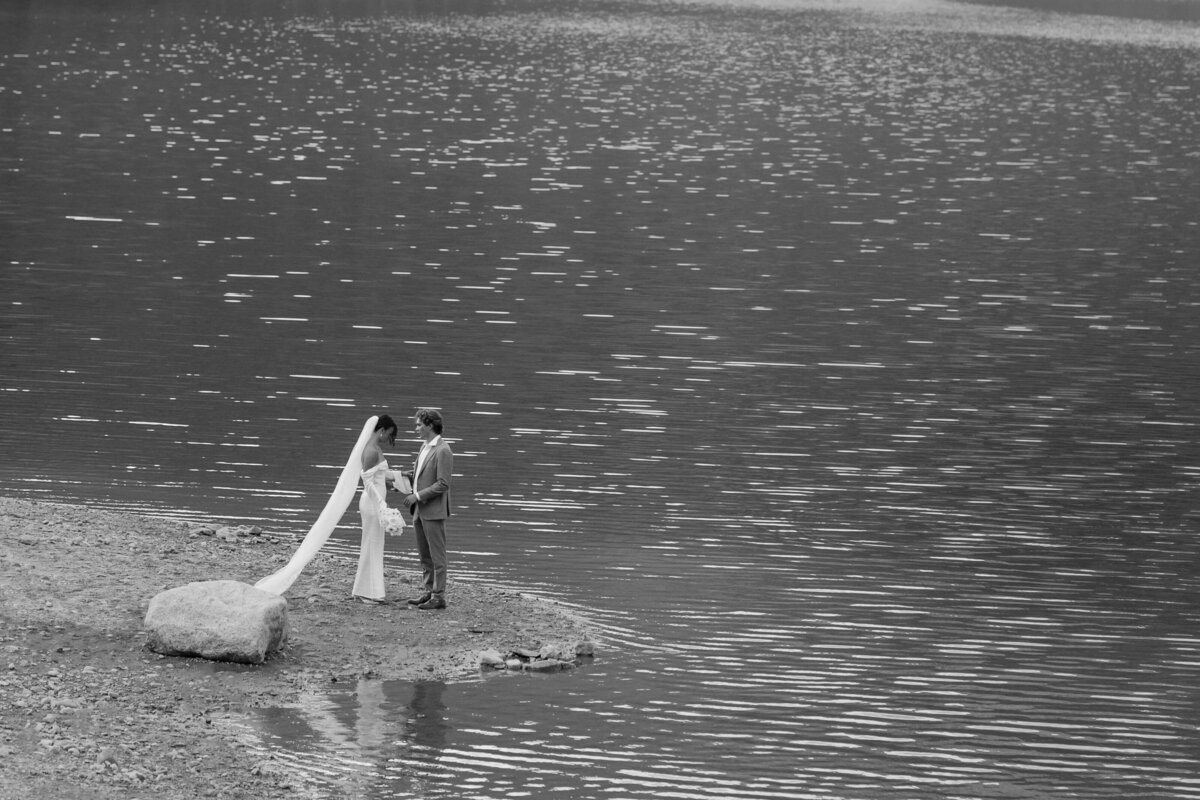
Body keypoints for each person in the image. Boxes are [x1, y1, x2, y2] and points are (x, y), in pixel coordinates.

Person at [401, 408, 453, 610]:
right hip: (419, 510)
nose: (416, 428)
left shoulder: (443, 450)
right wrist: (405, 477)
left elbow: (443, 483)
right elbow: (421, 473)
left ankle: (439, 597)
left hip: (433, 510)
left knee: (437, 555)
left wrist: (418, 495)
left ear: (430, 425)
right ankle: (429, 591)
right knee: (424, 554)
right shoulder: (425, 447)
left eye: (419, 425)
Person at [351, 414, 399, 604]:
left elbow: (380, 476)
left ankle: (364, 589)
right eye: (389, 434)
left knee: (374, 544)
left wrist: (399, 479)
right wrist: (382, 504)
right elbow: (367, 481)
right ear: (381, 431)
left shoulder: (375, 448)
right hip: (372, 504)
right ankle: (369, 593)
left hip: (375, 501)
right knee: (372, 544)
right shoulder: (371, 451)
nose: (389, 438)